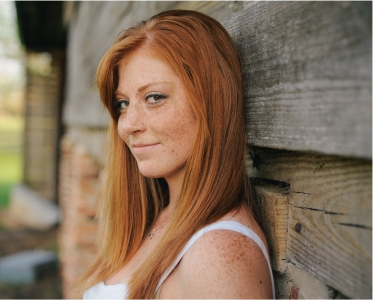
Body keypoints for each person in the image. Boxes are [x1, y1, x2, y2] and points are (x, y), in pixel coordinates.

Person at [77, 9, 275, 299]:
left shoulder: (219, 254)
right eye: (122, 103)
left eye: (154, 97)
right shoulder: (154, 218)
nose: (128, 125)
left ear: (211, 103)